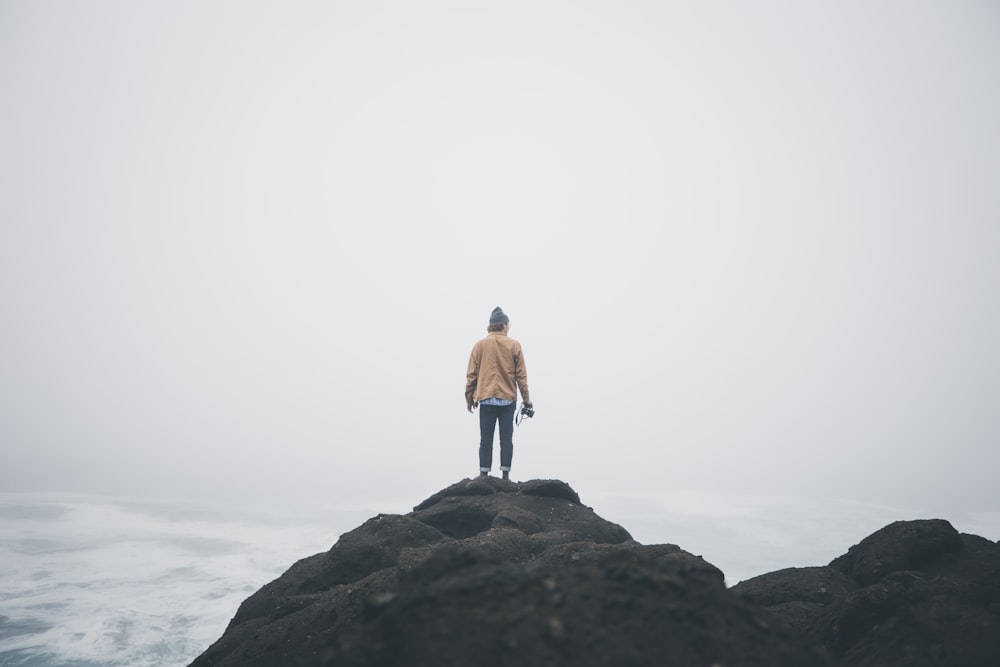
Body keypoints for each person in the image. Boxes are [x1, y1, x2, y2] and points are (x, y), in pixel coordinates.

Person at [465, 306, 532, 481]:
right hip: (507, 400)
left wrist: (469, 398)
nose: (509, 327)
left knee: (485, 439)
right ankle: (505, 475)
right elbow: (521, 377)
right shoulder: (514, 345)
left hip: (485, 399)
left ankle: (483, 474)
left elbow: (471, 374)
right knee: (506, 439)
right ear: (503, 325)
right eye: (508, 325)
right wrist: (527, 400)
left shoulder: (479, 346)